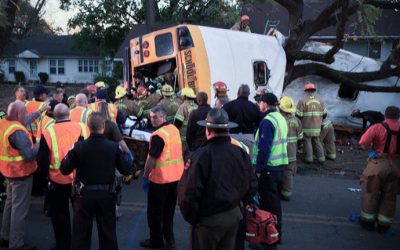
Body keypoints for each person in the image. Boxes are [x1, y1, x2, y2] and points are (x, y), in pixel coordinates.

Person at [178, 108, 257, 250]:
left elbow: (188, 194)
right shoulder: (240, 152)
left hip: (208, 221)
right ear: (228, 130)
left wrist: (194, 219)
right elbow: (251, 185)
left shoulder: (200, 156)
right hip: (233, 216)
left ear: (207, 131)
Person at [60, 112, 133, 250]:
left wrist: (70, 152)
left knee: (80, 236)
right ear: (103, 126)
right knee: (108, 235)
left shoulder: (79, 146)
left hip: (84, 196)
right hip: (106, 196)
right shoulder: (112, 147)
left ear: (88, 126)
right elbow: (127, 169)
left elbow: (64, 169)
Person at [36, 103, 89, 250]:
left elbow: (42, 161)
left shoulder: (48, 132)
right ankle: (80, 244)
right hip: (80, 180)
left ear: (53, 115)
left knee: (60, 215)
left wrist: (44, 181)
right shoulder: (82, 127)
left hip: (57, 180)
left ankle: (63, 244)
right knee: (81, 215)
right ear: (69, 115)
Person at [140, 106, 184, 249]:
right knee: (169, 211)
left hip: (160, 180)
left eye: (156, 117)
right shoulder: (174, 130)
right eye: (151, 117)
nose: (152, 119)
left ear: (164, 117)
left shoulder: (158, 135)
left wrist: (146, 175)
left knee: (154, 213)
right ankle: (170, 240)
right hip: (175, 178)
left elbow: (152, 158)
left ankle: (156, 241)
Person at [0, 102, 39, 250]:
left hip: (8, 172)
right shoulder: (18, 132)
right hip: (20, 174)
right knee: (19, 210)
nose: (25, 115)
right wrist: (38, 145)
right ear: (17, 115)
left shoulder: (4, 123)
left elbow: (25, 120)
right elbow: (29, 155)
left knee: (10, 205)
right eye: (24, 113)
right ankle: (16, 244)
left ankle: (5, 236)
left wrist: (39, 112)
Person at [252, 93, 288, 245]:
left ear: (265, 104)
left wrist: (259, 169)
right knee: (275, 203)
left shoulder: (267, 121)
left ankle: (270, 238)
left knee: (267, 205)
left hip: (268, 169)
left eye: (260, 102)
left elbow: (264, 148)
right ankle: (275, 234)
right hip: (279, 167)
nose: (259, 105)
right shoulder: (280, 118)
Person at [358, 106, 400, 233]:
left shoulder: (377, 127)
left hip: (379, 164)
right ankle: (384, 225)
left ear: (385, 115)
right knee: (390, 195)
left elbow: (363, 142)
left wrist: (372, 148)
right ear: (398, 116)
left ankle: (367, 222)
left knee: (371, 192)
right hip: (397, 166)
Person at [278, 96, 303, 201]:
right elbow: (300, 137)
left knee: (278, 172)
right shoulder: (297, 121)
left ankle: (278, 191)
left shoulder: (278, 120)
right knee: (288, 173)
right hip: (292, 153)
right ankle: (286, 193)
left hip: (278, 153)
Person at [296, 82, 326, 164]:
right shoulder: (320, 100)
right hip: (317, 126)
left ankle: (309, 159)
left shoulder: (302, 101)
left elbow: (298, 115)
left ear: (306, 91)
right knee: (317, 141)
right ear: (314, 91)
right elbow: (325, 114)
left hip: (307, 126)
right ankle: (321, 158)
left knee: (307, 141)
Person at [223, 84, 260, 150]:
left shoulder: (228, 106)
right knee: (248, 159)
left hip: (232, 137)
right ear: (248, 94)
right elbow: (258, 123)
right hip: (248, 137)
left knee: (233, 159)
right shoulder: (254, 107)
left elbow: (222, 120)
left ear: (238, 93)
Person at [174, 88, 198, 159]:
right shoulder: (196, 106)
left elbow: (177, 122)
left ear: (184, 96)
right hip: (194, 136)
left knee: (183, 155)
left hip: (184, 136)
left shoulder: (183, 106)